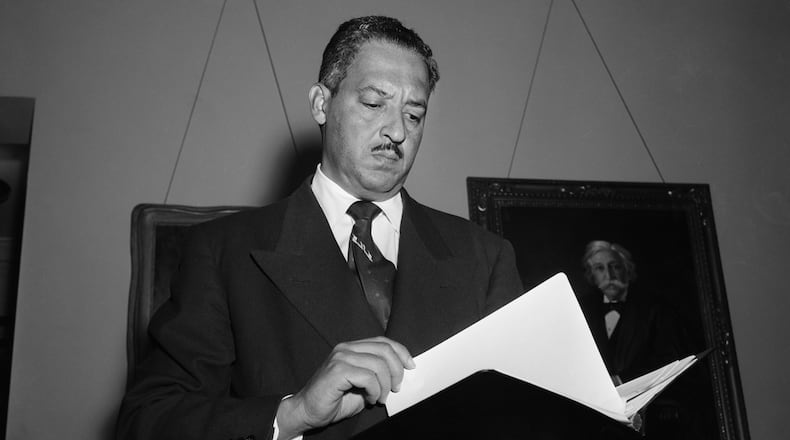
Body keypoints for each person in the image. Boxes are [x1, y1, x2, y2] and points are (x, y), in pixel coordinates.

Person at [116, 16, 523, 440]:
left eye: (414, 114)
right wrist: (293, 413)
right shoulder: (225, 252)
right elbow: (147, 421)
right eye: (374, 103)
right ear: (321, 104)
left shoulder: (486, 258)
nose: (397, 130)